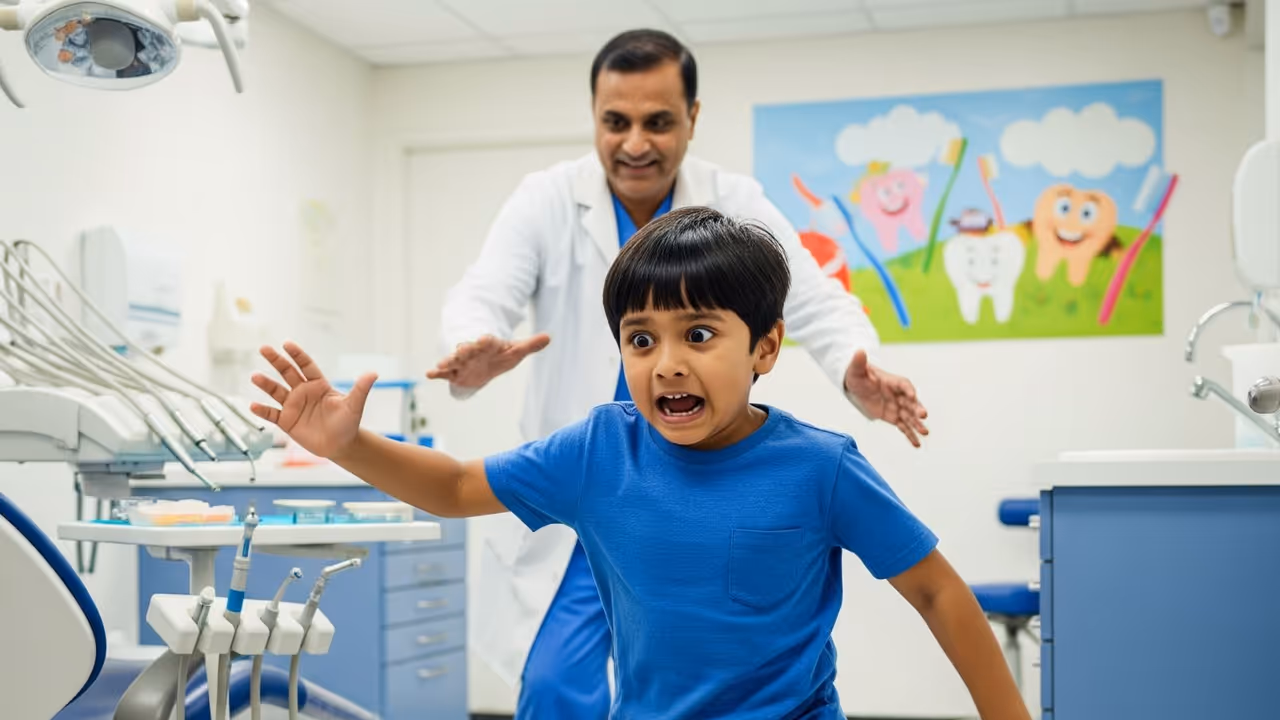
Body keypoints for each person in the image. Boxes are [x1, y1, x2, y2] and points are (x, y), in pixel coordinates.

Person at [248, 207, 1029, 720]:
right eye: (641, 338)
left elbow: (935, 590)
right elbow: (454, 488)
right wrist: (348, 444)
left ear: (765, 346)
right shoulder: (599, 450)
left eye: (698, 335)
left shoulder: (820, 469)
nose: (664, 363)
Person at [424, 28, 931, 718]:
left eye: (658, 122)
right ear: (595, 119)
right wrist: (474, 342)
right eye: (616, 122)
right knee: (554, 688)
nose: (636, 143)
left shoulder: (733, 199)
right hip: (599, 481)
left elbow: (813, 298)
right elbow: (484, 291)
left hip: (687, 483)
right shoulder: (546, 198)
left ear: (693, 118)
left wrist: (853, 369)